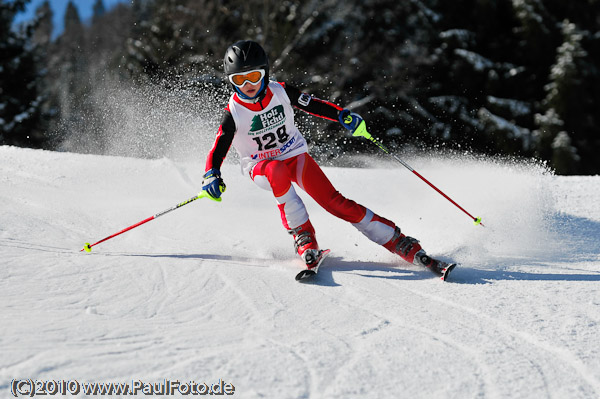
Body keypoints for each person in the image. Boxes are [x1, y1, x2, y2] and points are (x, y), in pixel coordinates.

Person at [202, 40, 445, 273]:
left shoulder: (281, 92)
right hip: (261, 167)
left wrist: (343, 116)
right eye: (239, 79)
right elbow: (218, 147)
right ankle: (303, 236)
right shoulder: (233, 112)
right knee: (276, 171)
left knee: (335, 203)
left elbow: (314, 105)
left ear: (264, 73)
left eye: (253, 76)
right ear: (231, 81)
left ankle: (398, 241)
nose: (248, 84)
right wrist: (211, 174)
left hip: (293, 156)